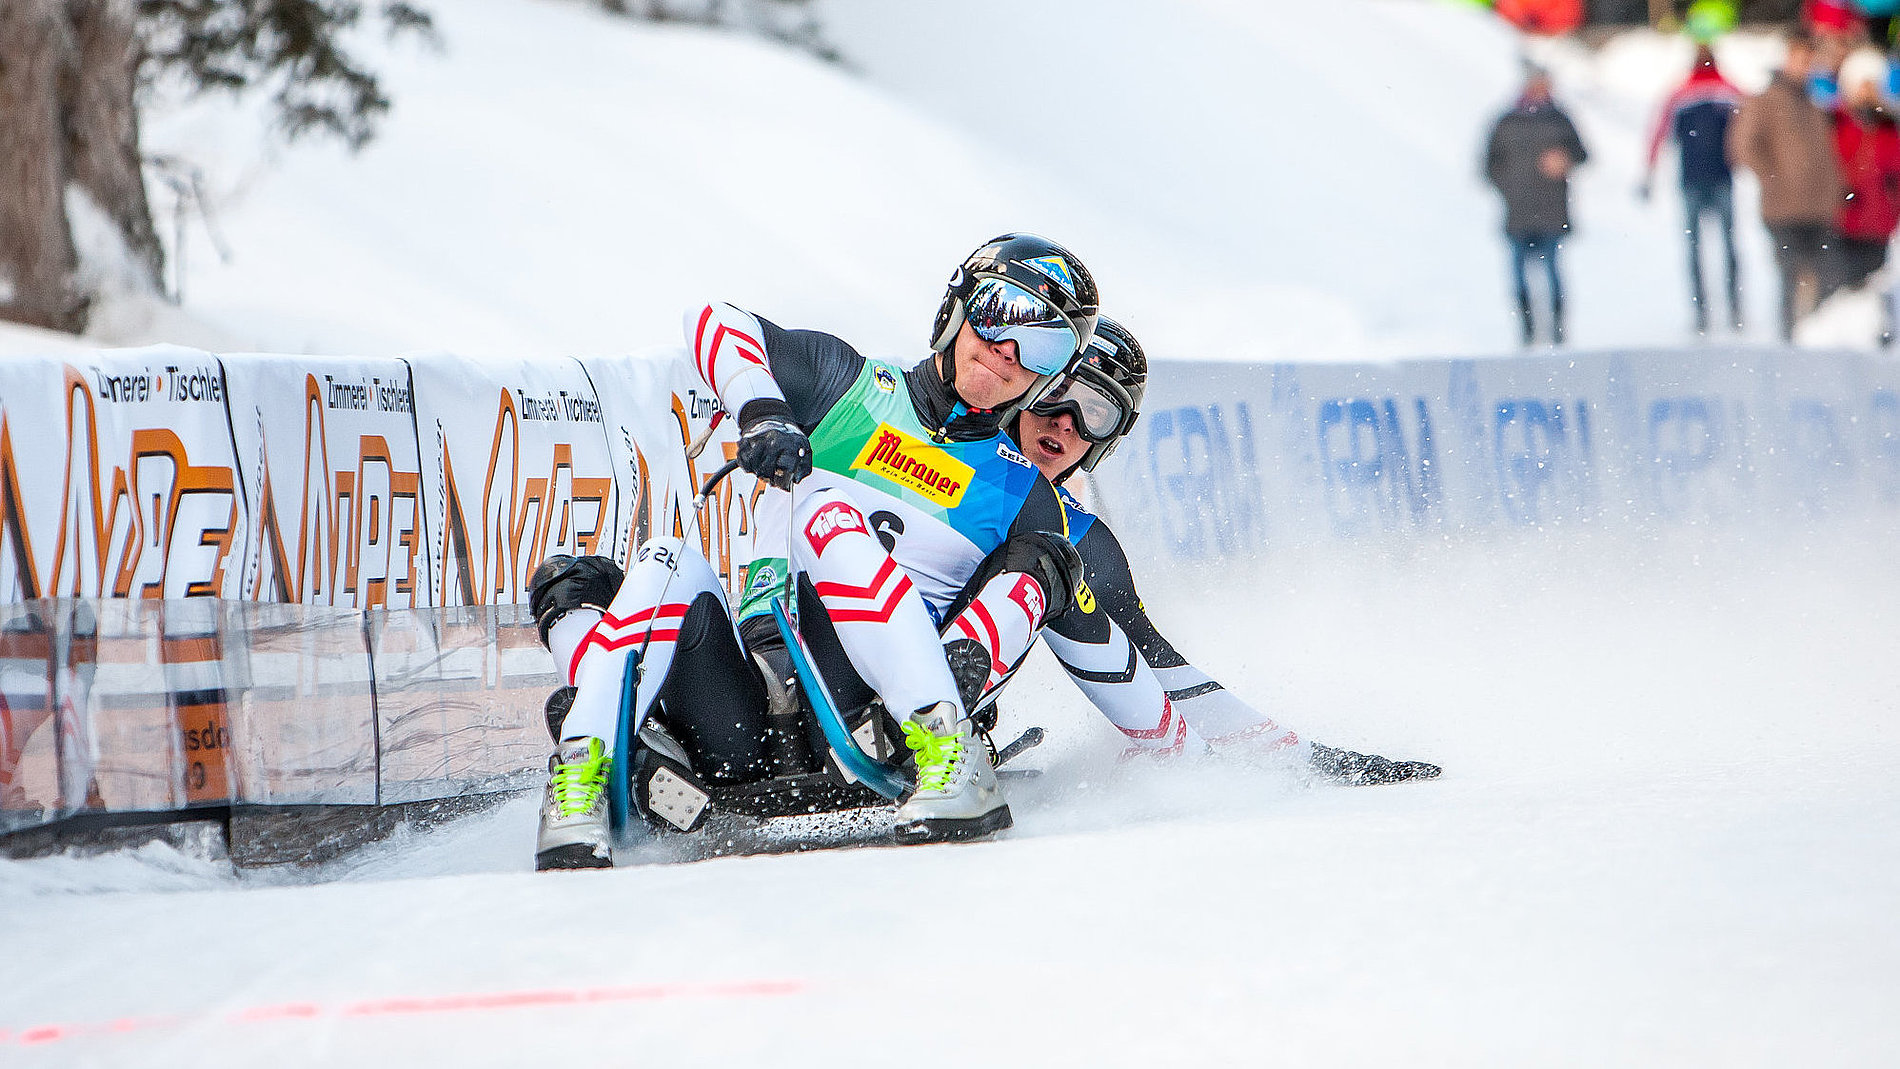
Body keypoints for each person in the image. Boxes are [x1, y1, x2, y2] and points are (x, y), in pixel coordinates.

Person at [529, 233, 1098, 869]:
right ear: (957, 308)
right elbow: (711, 320)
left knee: (831, 506)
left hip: (871, 712)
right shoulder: (845, 382)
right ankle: (587, 774)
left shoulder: (1027, 493)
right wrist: (763, 411)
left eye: (1043, 345)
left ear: (1053, 375)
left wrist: (1186, 744)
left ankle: (947, 748)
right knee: (647, 564)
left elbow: (1094, 633)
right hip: (751, 705)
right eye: (1001, 312)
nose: (1010, 351)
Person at [990, 317, 1441, 783]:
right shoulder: (932, 431)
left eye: (1094, 412)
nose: (1066, 421)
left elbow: (1154, 661)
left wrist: (1302, 760)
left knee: (1047, 561)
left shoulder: (1078, 534)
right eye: (1053, 394)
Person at [1729, 31, 1846, 342]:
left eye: (1809, 60)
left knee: (1824, 280)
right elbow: (1744, 145)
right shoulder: (1767, 99)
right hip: (1783, 208)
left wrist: (1836, 190)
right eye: (1800, 58)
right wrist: (1773, 178)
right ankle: (1789, 344)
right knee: (1791, 278)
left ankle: (1816, 341)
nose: (1805, 65)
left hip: (1819, 208)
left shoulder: (1815, 99)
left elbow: (1827, 153)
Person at [1484, 63, 1589, 347]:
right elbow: (1489, 165)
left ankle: (1557, 328)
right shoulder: (1507, 121)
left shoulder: (1560, 119)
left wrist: (1564, 160)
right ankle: (1527, 329)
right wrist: (1509, 186)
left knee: (1553, 272)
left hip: (1552, 210)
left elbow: (1582, 154)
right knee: (1519, 276)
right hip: (1518, 212)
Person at [1642, 44, 1744, 335]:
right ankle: (1731, 306)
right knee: (1726, 245)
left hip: (1693, 179)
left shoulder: (1680, 93)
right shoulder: (1728, 90)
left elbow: (1659, 132)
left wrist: (1649, 170)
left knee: (1696, 248)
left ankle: (1703, 310)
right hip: (1720, 177)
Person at [1830, 48, 1900, 344]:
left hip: (1880, 222)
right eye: (1862, 84)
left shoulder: (1889, 125)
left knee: (1875, 290)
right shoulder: (1836, 120)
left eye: (1872, 85)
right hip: (1842, 221)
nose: (1867, 92)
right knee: (1842, 294)